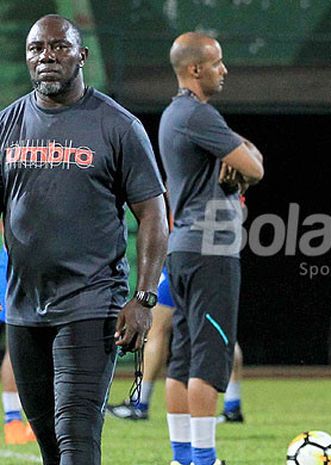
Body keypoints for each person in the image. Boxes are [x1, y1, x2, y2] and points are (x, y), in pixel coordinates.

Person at [0, 14, 168, 465]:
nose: (47, 57)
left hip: (91, 303)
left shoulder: (116, 125)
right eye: (37, 49)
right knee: (50, 443)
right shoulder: (8, 124)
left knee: (75, 431)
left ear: (82, 55)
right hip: (24, 306)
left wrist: (144, 299)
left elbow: (152, 213)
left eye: (58, 47)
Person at [159, 32, 264, 465]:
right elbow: (254, 166)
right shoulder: (198, 116)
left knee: (181, 358)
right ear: (195, 69)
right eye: (218, 63)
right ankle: (203, 460)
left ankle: (183, 457)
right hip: (210, 253)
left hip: (184, 249)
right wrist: (242, 152)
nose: (224, 70)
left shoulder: (174, 115)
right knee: (207, 357)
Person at [107, 268, 246, 423]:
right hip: (220, 265)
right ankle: (233, 405)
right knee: (221, 332)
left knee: (157, 330)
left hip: (184, 263)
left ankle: (139, 403)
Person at [0, 247, 36, 445]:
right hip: (18, 260)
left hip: (25, 259)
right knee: (15, 340)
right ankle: (13, 418)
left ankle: (29, 419)